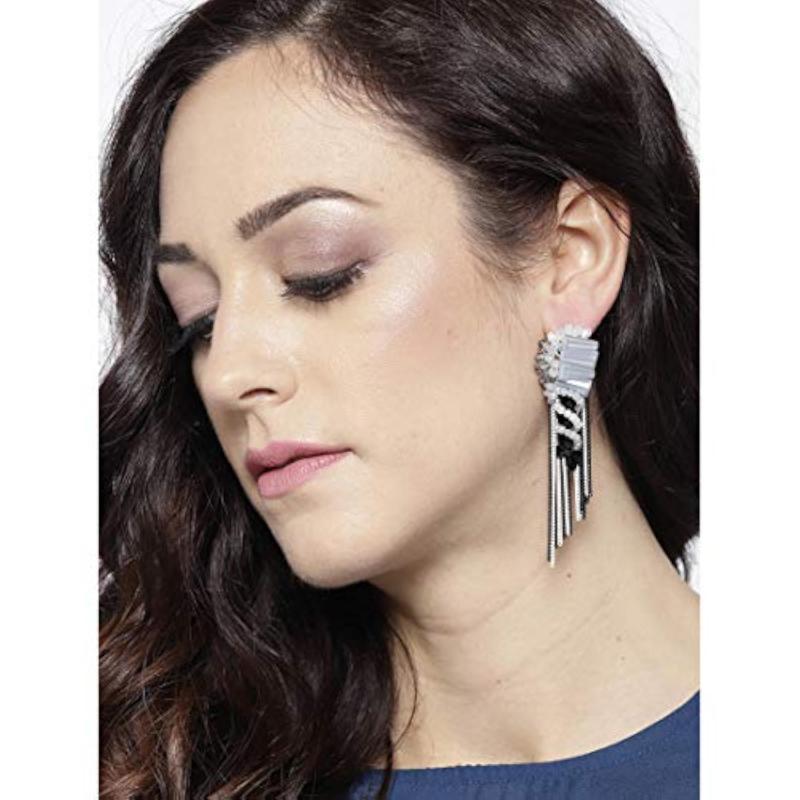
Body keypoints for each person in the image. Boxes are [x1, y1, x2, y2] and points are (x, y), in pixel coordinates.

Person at [99, 1, 699, 797]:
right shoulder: (149, 765)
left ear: (571, 257)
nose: (229, 371)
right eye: (198, 321)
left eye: (319, 274)